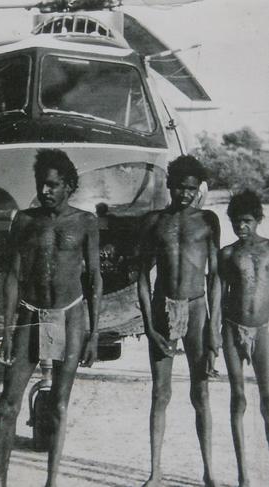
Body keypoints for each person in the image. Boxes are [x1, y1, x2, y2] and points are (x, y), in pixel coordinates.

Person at [0, 149, 102, 487]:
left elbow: (94, 277)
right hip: (31, 313)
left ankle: (51, 481)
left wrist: (94, 334)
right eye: (42, 185)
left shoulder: (85, 222)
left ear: (69, 186)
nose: (46, 191)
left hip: (69, 316)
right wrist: (8, 330)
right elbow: (13, 275)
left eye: (53, 185)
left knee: (59, 404)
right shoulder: (24, 220)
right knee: (8, 404)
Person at [137, 155, 221, 487]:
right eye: (179, 187)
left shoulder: (207, 221)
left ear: (197, 189)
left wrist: (213, 328)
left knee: (201, 393)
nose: (184, 194)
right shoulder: (153, 222)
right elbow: (142, 277)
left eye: (190, 188)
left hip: (198, 307)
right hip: (162, 309)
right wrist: (148, 325)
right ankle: (155, 473)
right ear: (170, 185)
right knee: (160, 393)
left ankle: (209, 471)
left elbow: (215, 276)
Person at [219, 189, 269, 487]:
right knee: (237, 398)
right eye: (237, 222)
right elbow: (219, 292)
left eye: (248, 221)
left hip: (264, 327)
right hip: (233, 327)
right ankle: (243, 476)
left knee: (268, 398)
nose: (242, 227)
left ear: (259, 219)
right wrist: (215, 331)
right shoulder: (227, 253)